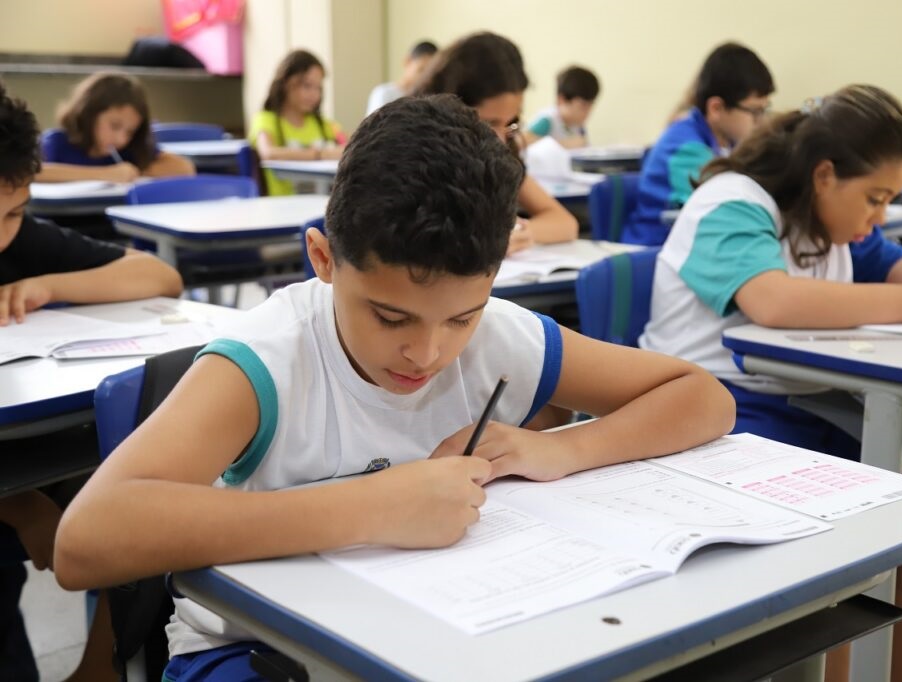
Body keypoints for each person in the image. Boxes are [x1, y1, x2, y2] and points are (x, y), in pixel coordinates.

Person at [53, 94, 735, 679]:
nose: (428, 352)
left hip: (432, 633)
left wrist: (562, 449)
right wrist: (373, 507)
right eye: (388, 316)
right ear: (324, 259)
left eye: (462, 316)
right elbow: (85, 541)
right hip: (252, 651)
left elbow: (702, 397)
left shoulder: (500, 335)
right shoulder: (267, 359)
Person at [640, 85, 902, 682]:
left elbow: (897, 262)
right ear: (825, 175)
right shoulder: (734, 203)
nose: (878, 216)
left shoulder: (834, 220)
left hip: (803, 409)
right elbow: (772, 301)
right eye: (873, 198)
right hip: (711, 414)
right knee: (853, 530)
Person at [0, 82, 182, 682]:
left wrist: (50, 284)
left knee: (143, 498)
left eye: (13, 212)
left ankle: (99, 667)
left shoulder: (19, 238)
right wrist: (20, 505)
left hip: (24, 454)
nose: (2, 234)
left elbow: (158, 276)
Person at [415, 32, 579, 254]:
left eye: (510, 122)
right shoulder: (413, 153)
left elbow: (565, 223)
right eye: (490, 123)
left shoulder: (501, 154)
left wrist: (521, 232)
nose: (501, 139)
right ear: (451, 109)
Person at [623, 42, 774, 246]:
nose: (761, 121)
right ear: (716, 108)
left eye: (764, 110)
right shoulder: (685, 148)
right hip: (653, 250)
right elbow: (723, 209)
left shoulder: (727, 142)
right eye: (755, 111)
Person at [38, 72, 195, 183]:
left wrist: (134, 172)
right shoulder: (57, 142)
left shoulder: (130, 149)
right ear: (89, 114)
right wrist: (106, 174)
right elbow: (33, 173)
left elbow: (185, 168)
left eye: (130, 131)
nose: (121, 139)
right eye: (114, 126)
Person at [250, 49, 347, 195]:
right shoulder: (266, 119)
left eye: (318, 88)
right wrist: (319, 154)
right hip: (282, 206)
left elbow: (349, 146)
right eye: (307, 86)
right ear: (285, 82)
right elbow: (269, 153)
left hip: (322, 202)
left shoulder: (323, 124)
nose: (314, 94)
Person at [524, 65, 600, 149]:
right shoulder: (547, 120)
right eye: (583, 106)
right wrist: (563, 145)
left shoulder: (578, 126)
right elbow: (521, 143)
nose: (588, 111)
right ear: (562, 100)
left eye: (591, 105)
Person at [365, 40, 438, 115]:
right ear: (407, 61)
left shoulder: (429, 98)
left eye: (430, 73)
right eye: (421, 70)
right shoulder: (384, 94)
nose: (425, 78)